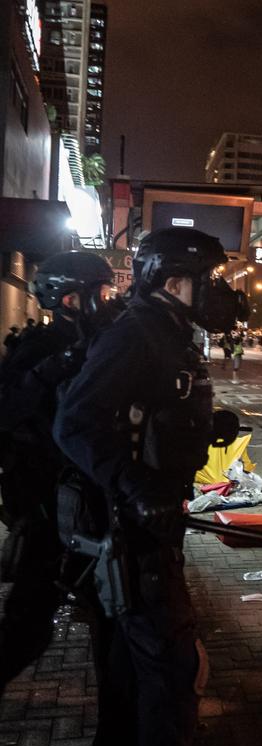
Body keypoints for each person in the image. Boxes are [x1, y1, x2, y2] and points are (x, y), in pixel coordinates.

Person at [54, 227, 246, 746]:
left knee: (128, 673)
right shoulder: (137, 333)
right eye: (209, 280)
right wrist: (134, 485)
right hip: (132, 533)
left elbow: (148, 414)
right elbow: (74, 425)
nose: (219, 291)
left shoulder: (170, 333)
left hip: (155, 527)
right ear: (174, 281)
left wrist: (207, 424)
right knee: (171, 673)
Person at [0, 251, 116, 698]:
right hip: (48, 510)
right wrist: (56, 366)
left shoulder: (100, 343)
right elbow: (7, 410)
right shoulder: (39, 349)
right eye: (100, 294)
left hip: (91, 502)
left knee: (115, 621)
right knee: (28, 628)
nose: (106, 302)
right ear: (70, 299)